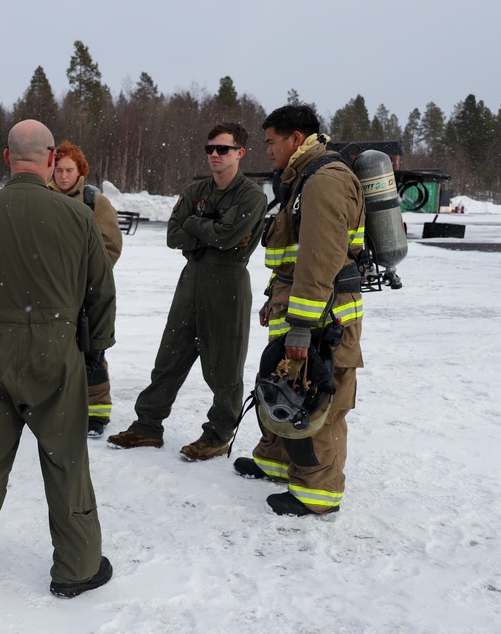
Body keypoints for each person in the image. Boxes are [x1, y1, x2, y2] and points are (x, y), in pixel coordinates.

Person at [0, 120, 116, 598]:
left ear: (5, 156)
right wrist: (95, 349)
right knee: (66, 459)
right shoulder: (77, 218)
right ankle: (77, 567)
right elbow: (101, 293)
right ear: (52, 158)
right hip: (56, 352)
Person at [233, 105, 364, 516]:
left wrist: (303, 328)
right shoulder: (302, 177)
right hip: (298, 308)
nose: (267, 150)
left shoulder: (324, 181)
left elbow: (319, 259)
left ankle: (317, 492)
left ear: (295, 139)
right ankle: (275, 461)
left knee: (318, 397)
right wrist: (276, 298)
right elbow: (292, 255)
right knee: (284, 383)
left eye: (271, 142)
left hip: (323, 316)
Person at [107, 122, 267, 460]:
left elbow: (223, 237)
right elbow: (173, 236)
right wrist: (213, 230)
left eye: (222, 149)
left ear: (239, 152)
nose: (214, 155)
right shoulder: (196, 190)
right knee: (169, 357)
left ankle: (218, 434)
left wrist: (195, 226)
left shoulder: (251, 195)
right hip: (191, 279)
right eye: (209, 148)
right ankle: (147, 426)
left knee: (224, 367)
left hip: (229, 285)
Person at [48, 141, 123, 438]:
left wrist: (88, 279)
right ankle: (54, 406)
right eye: (58, 169)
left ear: (80, 171)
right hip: (50, 293)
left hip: (86, 293)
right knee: (52, 351)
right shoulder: (43, 196)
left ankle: (97, 411)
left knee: (92, 349)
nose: (63, 176)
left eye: (69, 170)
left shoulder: (94, 202)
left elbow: (110, 246)